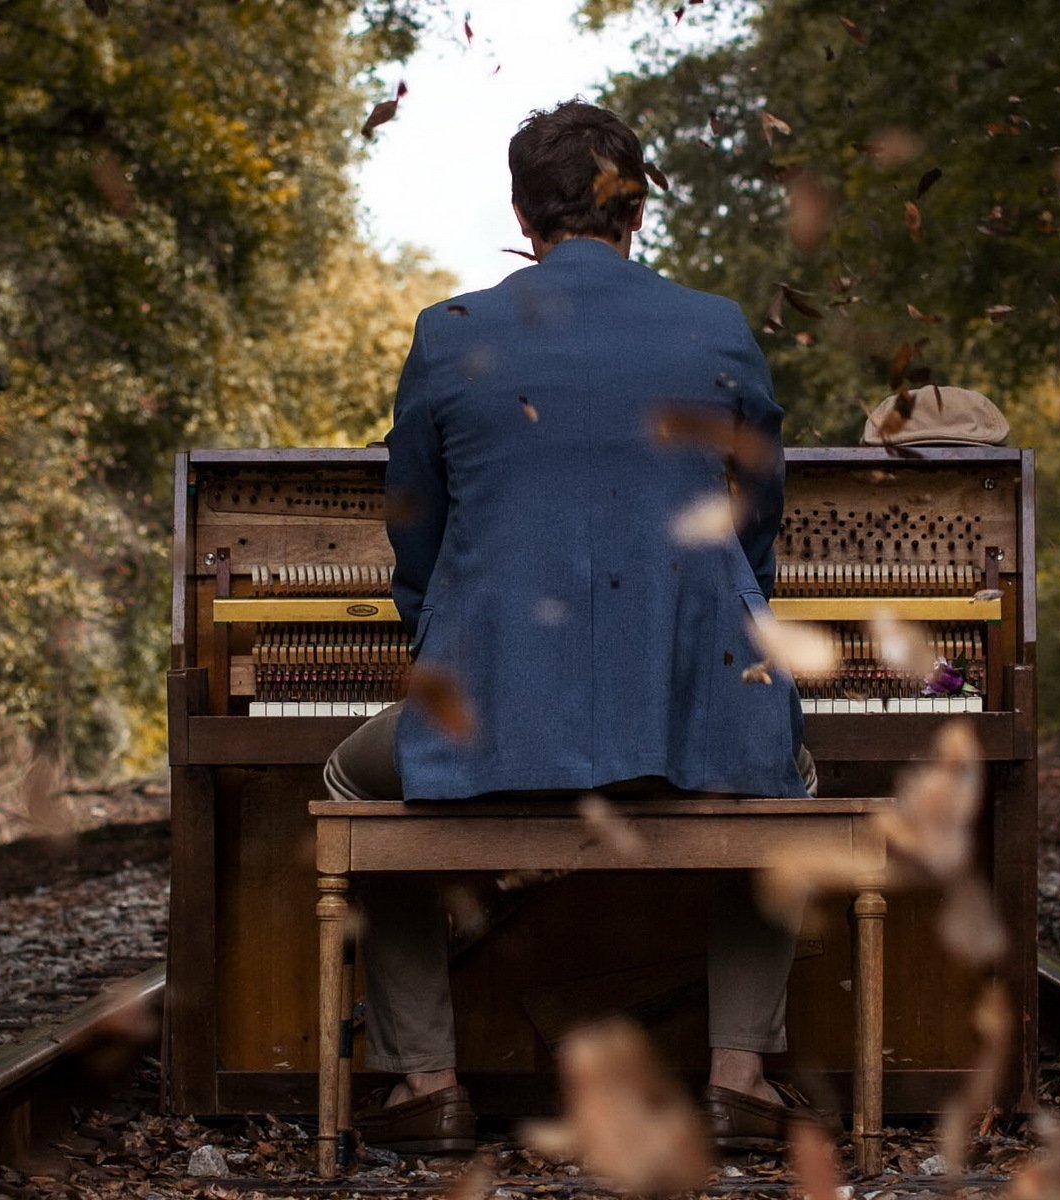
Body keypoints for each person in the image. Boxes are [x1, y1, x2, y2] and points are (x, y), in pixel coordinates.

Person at [321, 100, 818, 1153]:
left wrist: (448, 638)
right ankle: (739, 1075)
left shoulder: (449, 334)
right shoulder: (717, 327)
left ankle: (426, 1082)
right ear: (636, 210)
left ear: (520, 212)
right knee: (784, 768)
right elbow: (759, 521)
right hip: (686, 709)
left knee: (349, 783)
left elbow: (415, 529)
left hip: (492, 713)